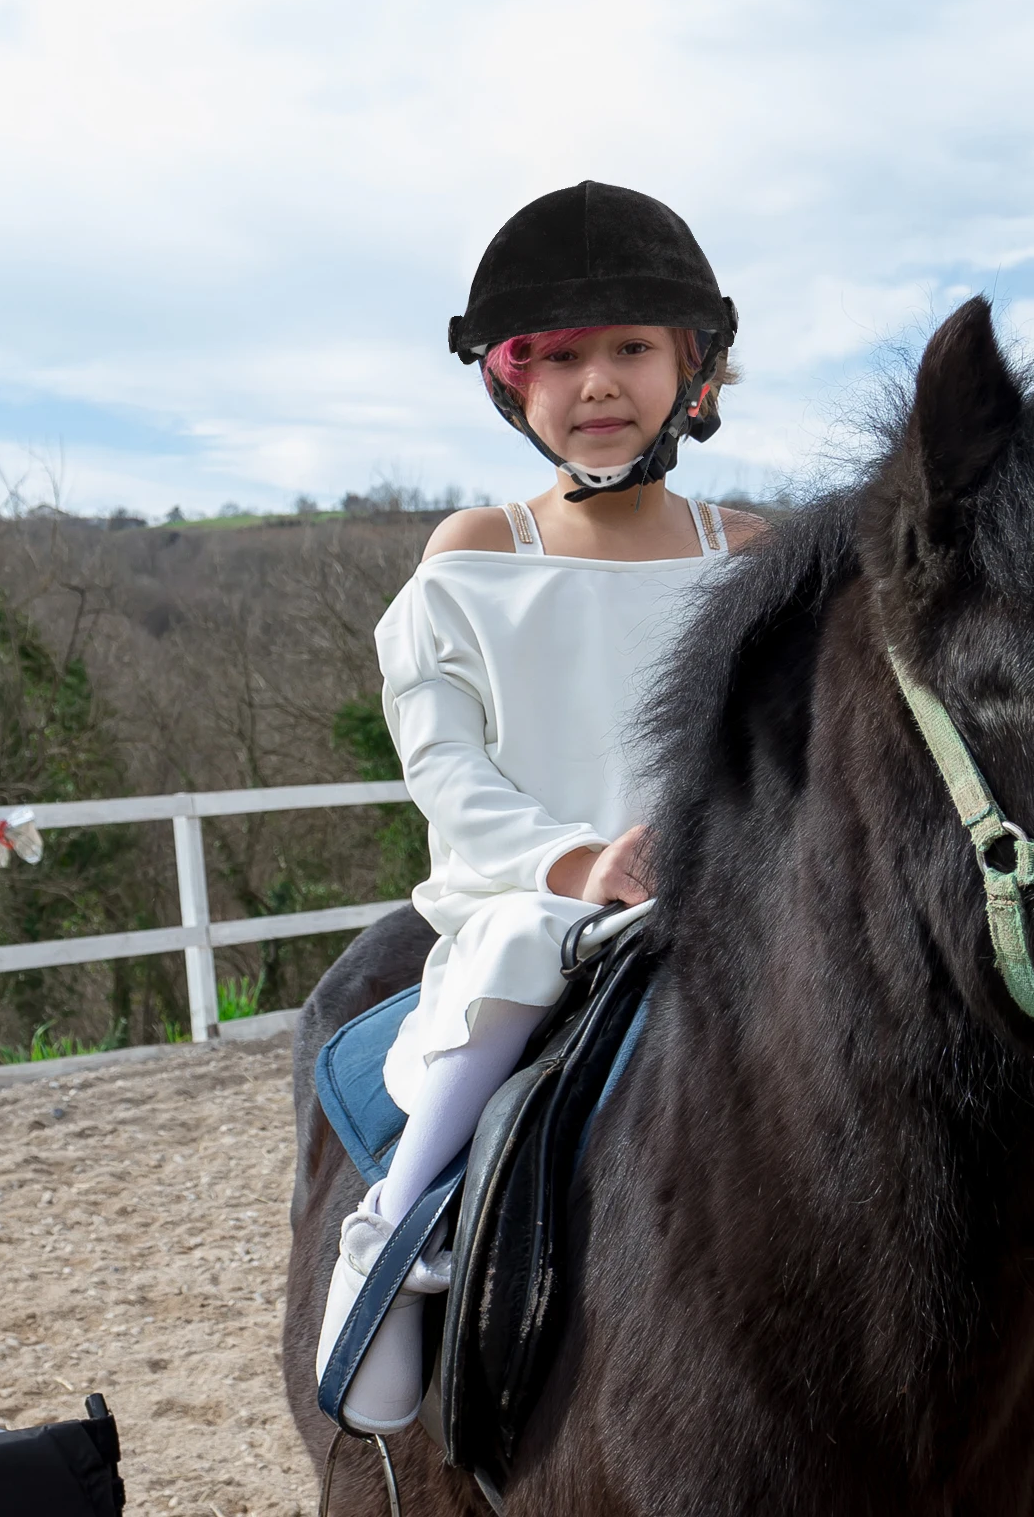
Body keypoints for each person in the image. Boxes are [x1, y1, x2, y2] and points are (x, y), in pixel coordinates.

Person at [315, 181, 765, 1433]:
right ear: (514, 385)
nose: (598, 382)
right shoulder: (472, 554)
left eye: (630, 347)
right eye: (559, 356)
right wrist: (576, 862)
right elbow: (447, 770)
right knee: (519, 946)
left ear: (695, 369)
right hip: (538, 895)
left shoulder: (757, 558)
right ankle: (403, 1225)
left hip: (733, 889)